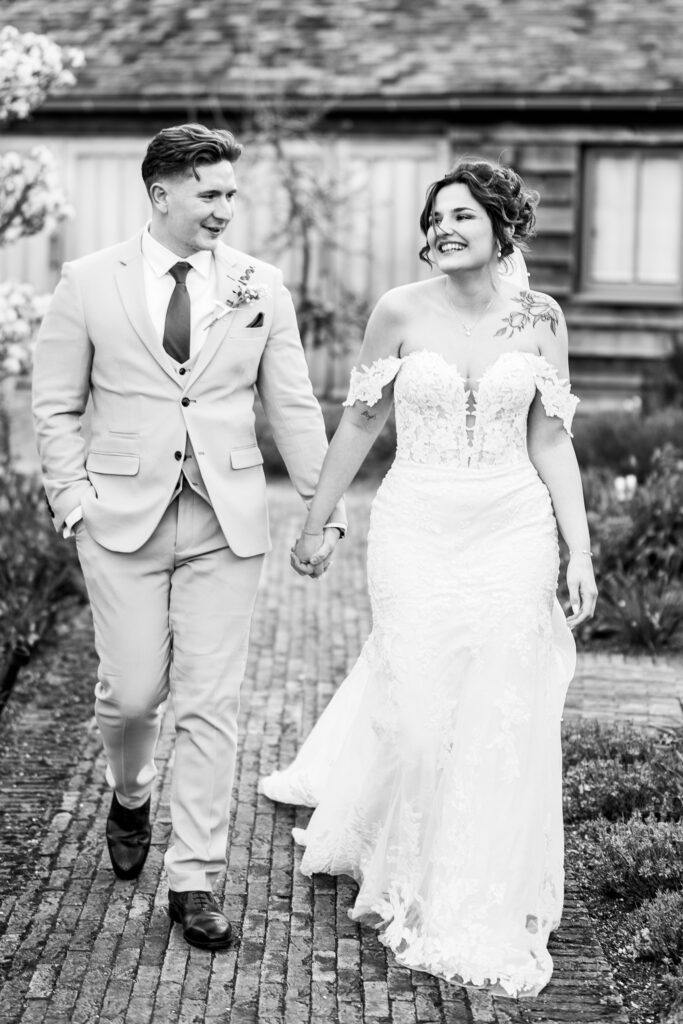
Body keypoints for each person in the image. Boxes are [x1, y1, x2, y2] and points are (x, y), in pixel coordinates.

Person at [261, 159, 597, 997]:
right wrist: (314, 522)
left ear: (499, 228)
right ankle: (395, 849)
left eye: (461, 216)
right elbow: (361, 421)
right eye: (435, 216)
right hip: (414, 527)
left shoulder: (540, 317)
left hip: (512, 526)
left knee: (493, 709)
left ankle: (463, 881)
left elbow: (551, 439)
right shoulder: (398, 311)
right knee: (416, 716)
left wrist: (579, 548)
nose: (442, 228)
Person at [32, 123, 346, 950]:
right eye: (209, 193)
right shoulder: (88, 280)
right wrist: (73, 498)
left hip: (225, 514)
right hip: (120, 516)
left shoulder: (259, 286)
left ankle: (195, 877)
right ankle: (128, 789)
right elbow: (55, 405)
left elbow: (294, 406)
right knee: (132, 694)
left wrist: (321, 511)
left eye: (230, 194)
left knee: (211, 702)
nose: (224, 209)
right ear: (161, 192)